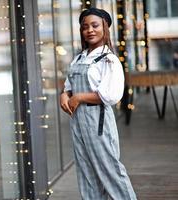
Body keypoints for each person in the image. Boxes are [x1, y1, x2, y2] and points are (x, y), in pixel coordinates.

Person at [59, 8, 137, 200]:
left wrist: (79, 97)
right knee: (86, 171)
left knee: (109, 169)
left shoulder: (109, 60)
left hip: (98, 119)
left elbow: (111, 95)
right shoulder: (79, 57)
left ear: (105, 27)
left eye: (95, 25)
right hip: (77, 120)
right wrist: (64, 94)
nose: (90, 30)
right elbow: (69, 85)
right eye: (85, 27)